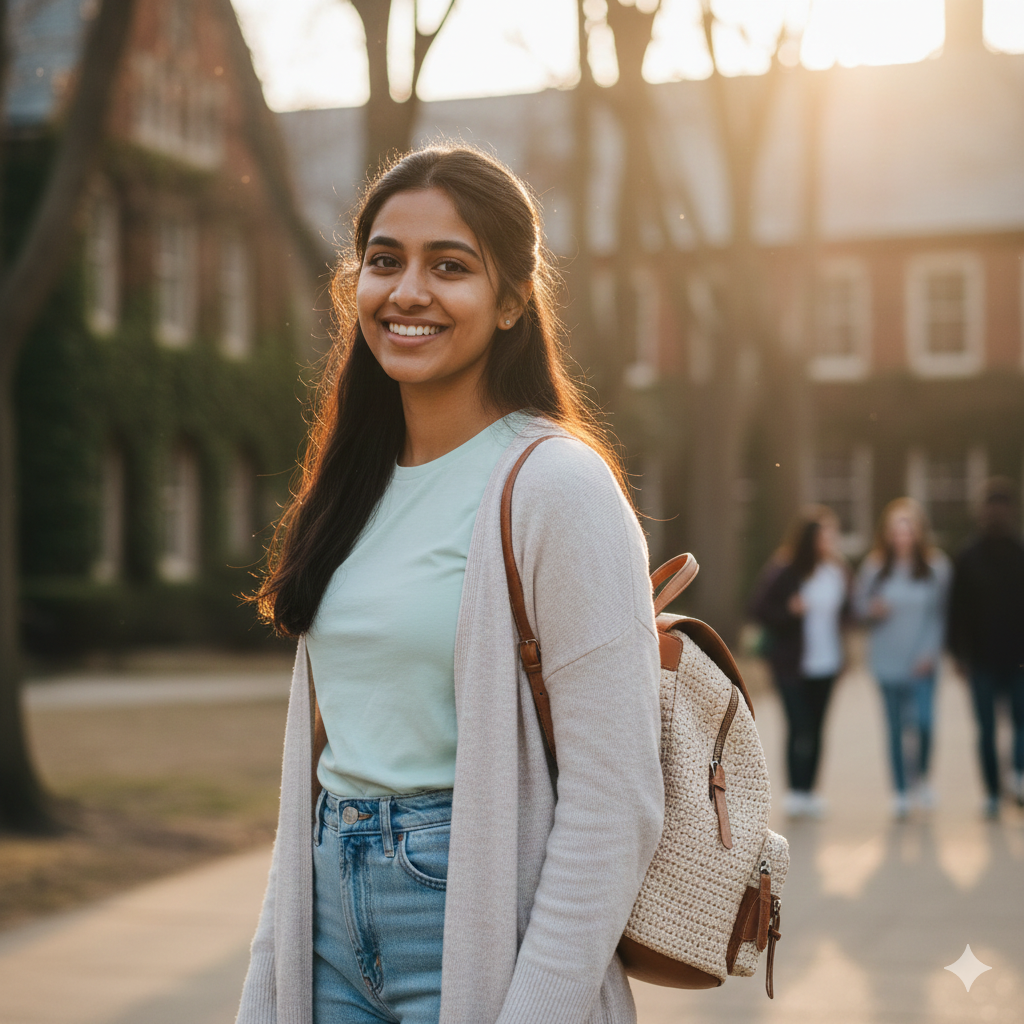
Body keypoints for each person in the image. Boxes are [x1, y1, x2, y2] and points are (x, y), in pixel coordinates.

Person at [235, 146, 664, 1024]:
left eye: (451, 266)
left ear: (511, 301)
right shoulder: (351, 485)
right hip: (327, 921)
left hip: (470, 922)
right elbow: (330, 762)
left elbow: (613, 801)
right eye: (385, 261)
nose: (408, 292)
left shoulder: (556, 485)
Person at [854, 498, 951, 820]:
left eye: (908, 531)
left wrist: (930, 652)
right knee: (895, 728)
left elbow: (940, 616)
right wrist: (873, 610)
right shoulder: (874, 568)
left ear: (919, 533)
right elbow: (858, 608)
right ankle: (900, 792)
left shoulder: (937, 568)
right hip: (886, 661)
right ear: (888, 535)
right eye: (896, 531)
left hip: (922, 662)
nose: (902, 538)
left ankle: (920, 779)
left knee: (923, 723)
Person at [750, 506, 848, 819]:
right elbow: (757, 608)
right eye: (824, 534)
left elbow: (847, 611)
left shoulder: (837, 571)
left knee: (818, 728)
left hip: (827, 662)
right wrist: (789, 612)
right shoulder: (784, 570)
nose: (830, 540)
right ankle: (794, 791)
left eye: (833, 534)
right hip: (791, 664)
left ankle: (810, 791)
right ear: (809, 538)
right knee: (797, 725)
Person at [948, 478, 1024, 819]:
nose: (995, 513)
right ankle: (993, 791)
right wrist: (958, 655)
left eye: (1001, 506)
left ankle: (1019, 776)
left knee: (1021, 723)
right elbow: (956, 610)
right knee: (986, 729)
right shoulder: (967, 557)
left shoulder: (1020, 552)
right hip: (979, 660)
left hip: (1019, 660)